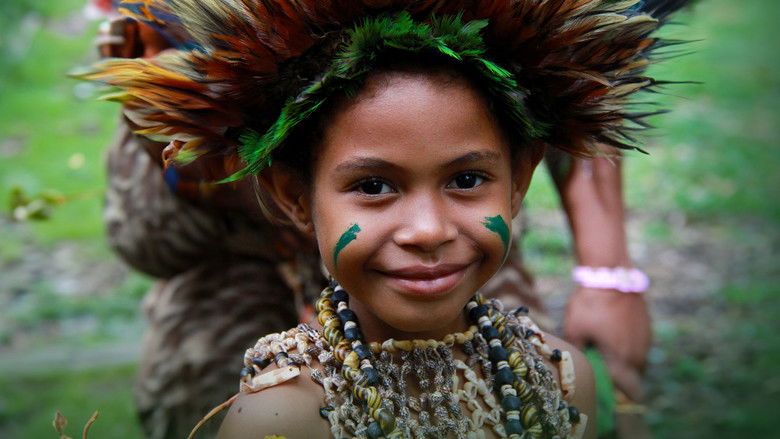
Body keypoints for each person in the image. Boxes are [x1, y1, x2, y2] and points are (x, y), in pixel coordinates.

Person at [78, 0, 689, 437]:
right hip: (233, 229)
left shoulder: (551, 374)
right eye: (376, 185)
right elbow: (145, 243)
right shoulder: (273, 414)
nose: (425, 226)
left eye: (468, 178)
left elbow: (571, 76)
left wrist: (608, 273)